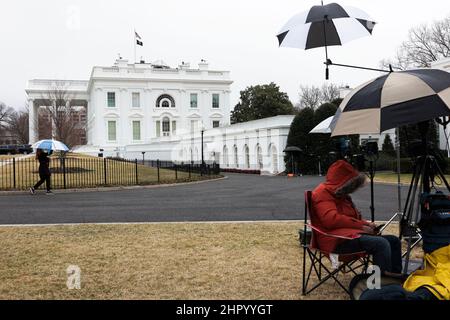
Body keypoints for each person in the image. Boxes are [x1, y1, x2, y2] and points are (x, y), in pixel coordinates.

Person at [312, 160, 402, 275]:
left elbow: (352, 217)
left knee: (394, 241)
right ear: (342, 181)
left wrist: (366, 224)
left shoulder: (340, 194)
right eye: (350, 184)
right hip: (335, 241)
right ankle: (381, 285)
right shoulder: (322, 193)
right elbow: (331, 220)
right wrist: (361, 226)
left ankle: (394, 278)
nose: (351, 189)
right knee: (381, 244)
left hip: (348, 236)